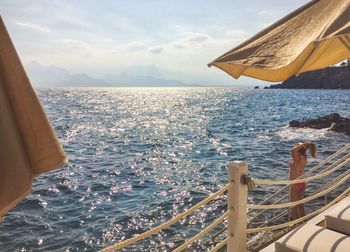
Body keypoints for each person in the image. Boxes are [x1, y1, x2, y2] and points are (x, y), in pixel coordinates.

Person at [289, 142, 316, 220]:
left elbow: (292, 150)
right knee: (300, 204)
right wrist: (305, 145)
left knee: (294, 205)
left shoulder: (297, 159)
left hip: (295, 183)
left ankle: (294, 223)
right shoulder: (304, 157)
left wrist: (303, 144)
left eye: (297, 145)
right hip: (301, 183)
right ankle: (302, 220)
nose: (296, 145)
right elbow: (296, 150)